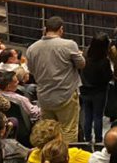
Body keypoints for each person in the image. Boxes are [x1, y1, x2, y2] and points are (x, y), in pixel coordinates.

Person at [26, 16, 85, 144]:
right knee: (68, 130)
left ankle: (49, 156)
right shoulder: (69, 45)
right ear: (61, 29)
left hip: (44, 96)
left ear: (45, 29)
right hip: (66, 95)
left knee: (48, 131)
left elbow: (31, 70)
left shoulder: (32, 48)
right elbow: (81, 64)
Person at [79, 32, 111, 143]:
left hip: (84, 89)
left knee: (87, 115)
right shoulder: (104, 61)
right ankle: (98, 140)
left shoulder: (85, 53)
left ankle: (87, 138)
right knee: (98, 116)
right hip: (99, 92)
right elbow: (108, 77)